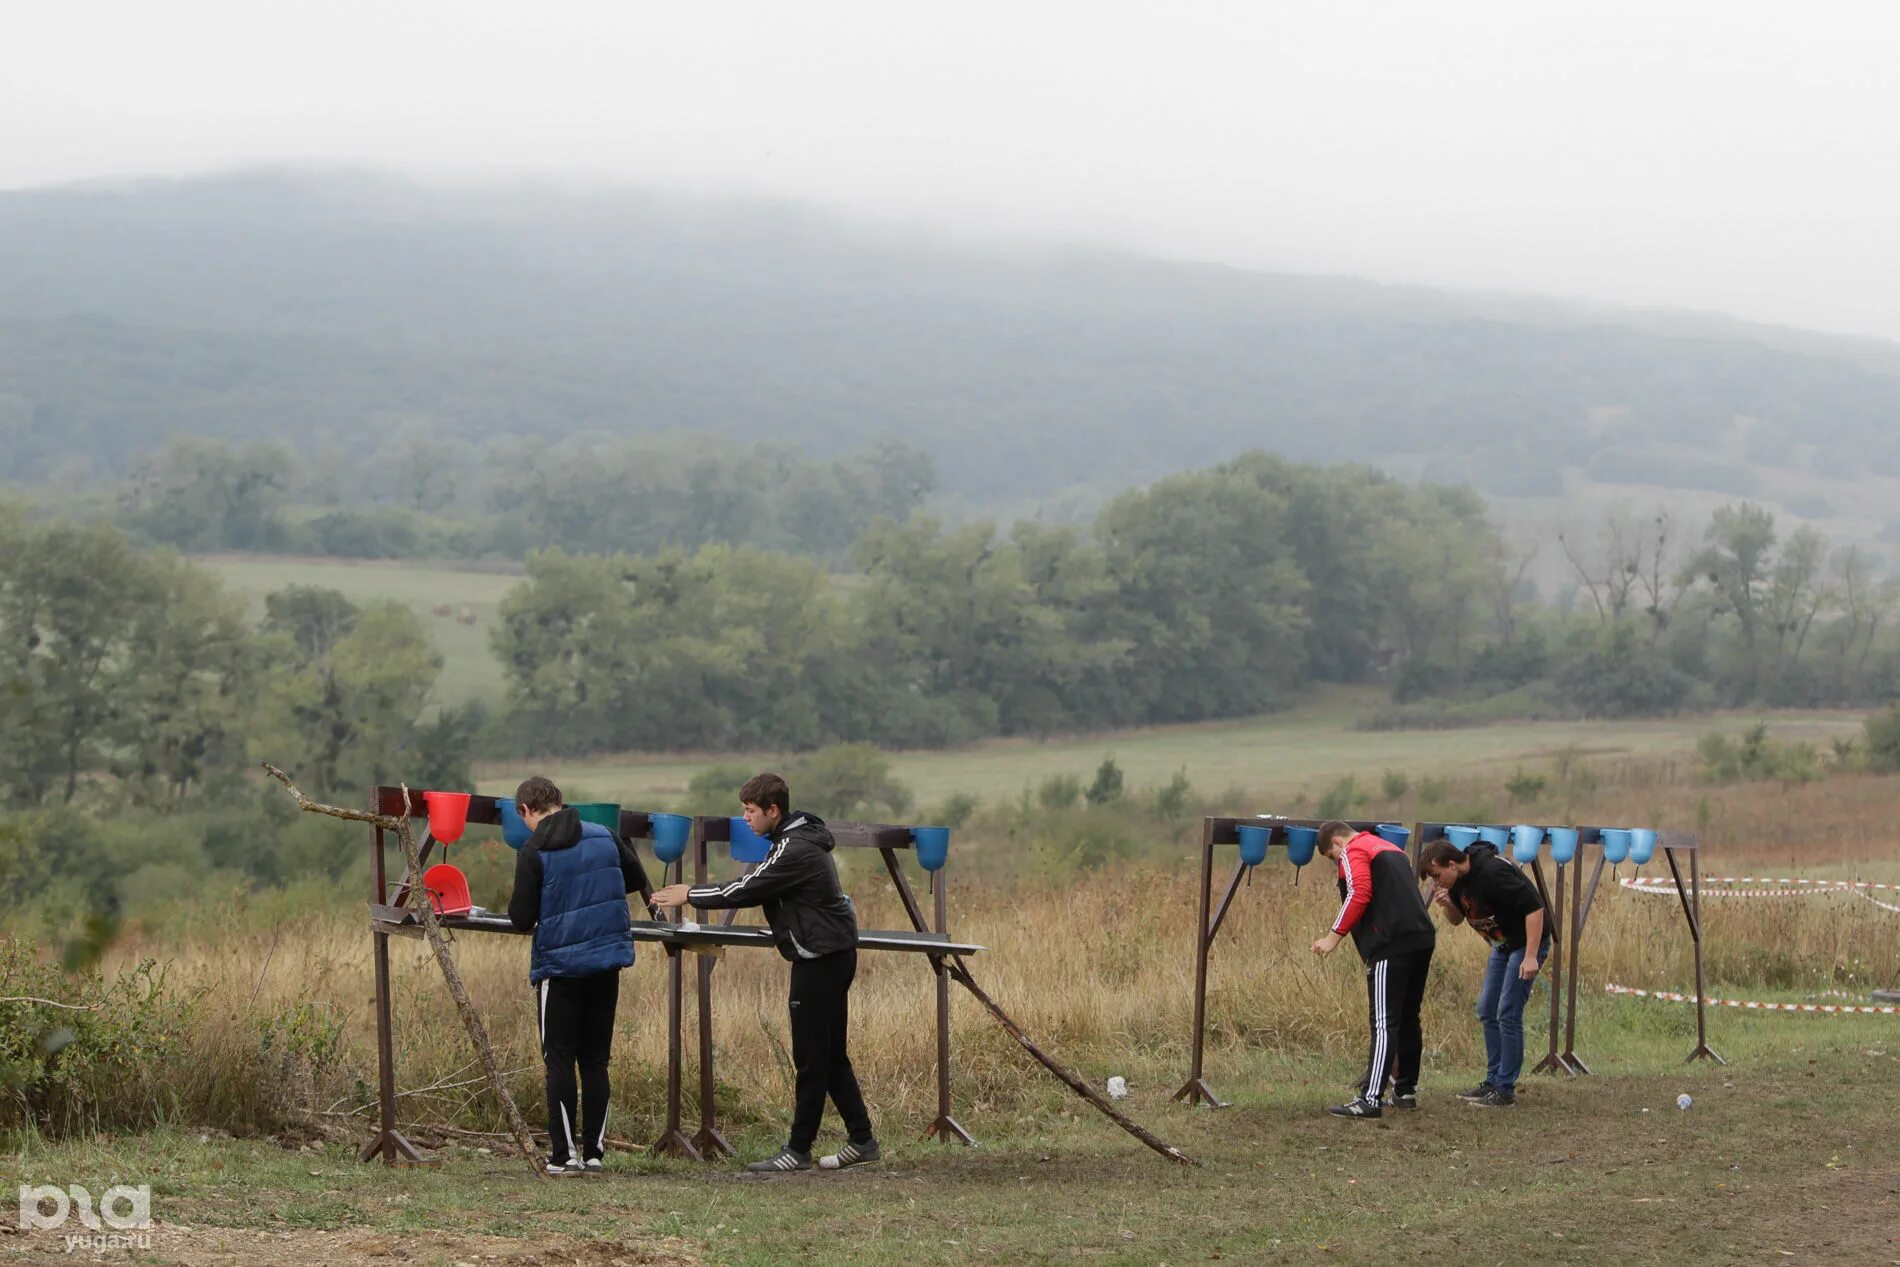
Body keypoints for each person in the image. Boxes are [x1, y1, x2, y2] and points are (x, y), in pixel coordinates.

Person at [651, 772, 879, 1173]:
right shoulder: (797, 839)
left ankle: (798, 1149)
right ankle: (861, 1140)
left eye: (751, 811)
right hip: (831, 952)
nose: (745, 819)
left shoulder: (794, 848)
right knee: (831, 1055)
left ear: (774, 810)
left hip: (819, 958)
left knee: (811, 1057)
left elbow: (746, 888)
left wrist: (689, 894)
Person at [507, 776, 653, 1175]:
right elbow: (637, 880)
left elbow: (521, 918)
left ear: (525, 810)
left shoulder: (533, 850)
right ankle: (594, 1153)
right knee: (595, 1061)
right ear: (560, 802)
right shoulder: (605, 835)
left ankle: (563, 1155)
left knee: (558, 1061)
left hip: (559, 968)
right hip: (606, 963)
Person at [1309, 821, 1436, 1119]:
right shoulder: (1390, 848)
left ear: (1337, 842)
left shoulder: (1354, 849)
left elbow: (1359, 892)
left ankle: (1370, 1099)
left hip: (1390, 944)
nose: (1336, 863)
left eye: (1331, 857)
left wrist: (1333, 937)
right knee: (1407, 1017)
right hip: (1421, 938)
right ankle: (1405, 1091)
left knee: (1383, 1022)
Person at [1415, 837, 1550, 1109]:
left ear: (1451, 865)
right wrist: (1447, 905)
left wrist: (1531, 956)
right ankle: (1492, 1080)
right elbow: (1457, 919)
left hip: (1525, 945)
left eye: (1438, 876)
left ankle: (1504, 1089)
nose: (1437, 883)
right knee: (1487, 1008)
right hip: (1502, 947)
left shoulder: (1492, 873)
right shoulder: (1456, 882)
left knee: (1508, 1012)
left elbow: (1535, 907)